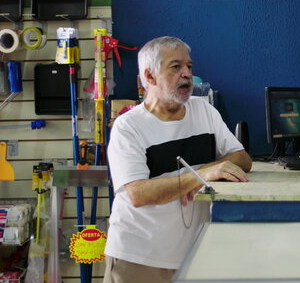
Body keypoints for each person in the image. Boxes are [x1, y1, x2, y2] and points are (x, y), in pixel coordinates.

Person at [104, 36, 252, 283]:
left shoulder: (204, 111)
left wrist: (204, 171)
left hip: (191, 256)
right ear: (149, 77)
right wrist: (201, 176)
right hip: (139, 258)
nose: (187, 74)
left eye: (189, 67)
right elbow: (138, 194)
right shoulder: (128, 127)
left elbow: (242, 158)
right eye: (176, 67)